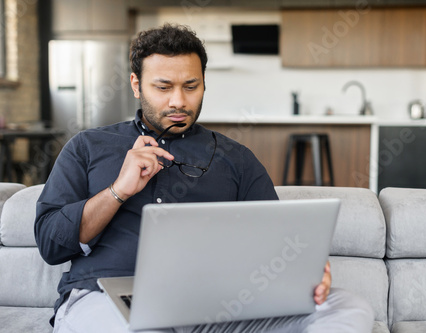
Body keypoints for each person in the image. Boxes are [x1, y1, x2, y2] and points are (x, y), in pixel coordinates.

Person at [35, 24, 373, 333]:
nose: (178, 101)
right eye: (163, 87)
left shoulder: (237, 159)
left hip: (216, 306)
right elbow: (51, 243)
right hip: (108, 300)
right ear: (137, 86)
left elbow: (276, 240)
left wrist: (309, 271)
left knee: (349, 309)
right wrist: (118, 191)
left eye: (191, 86)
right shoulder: (88, 147)